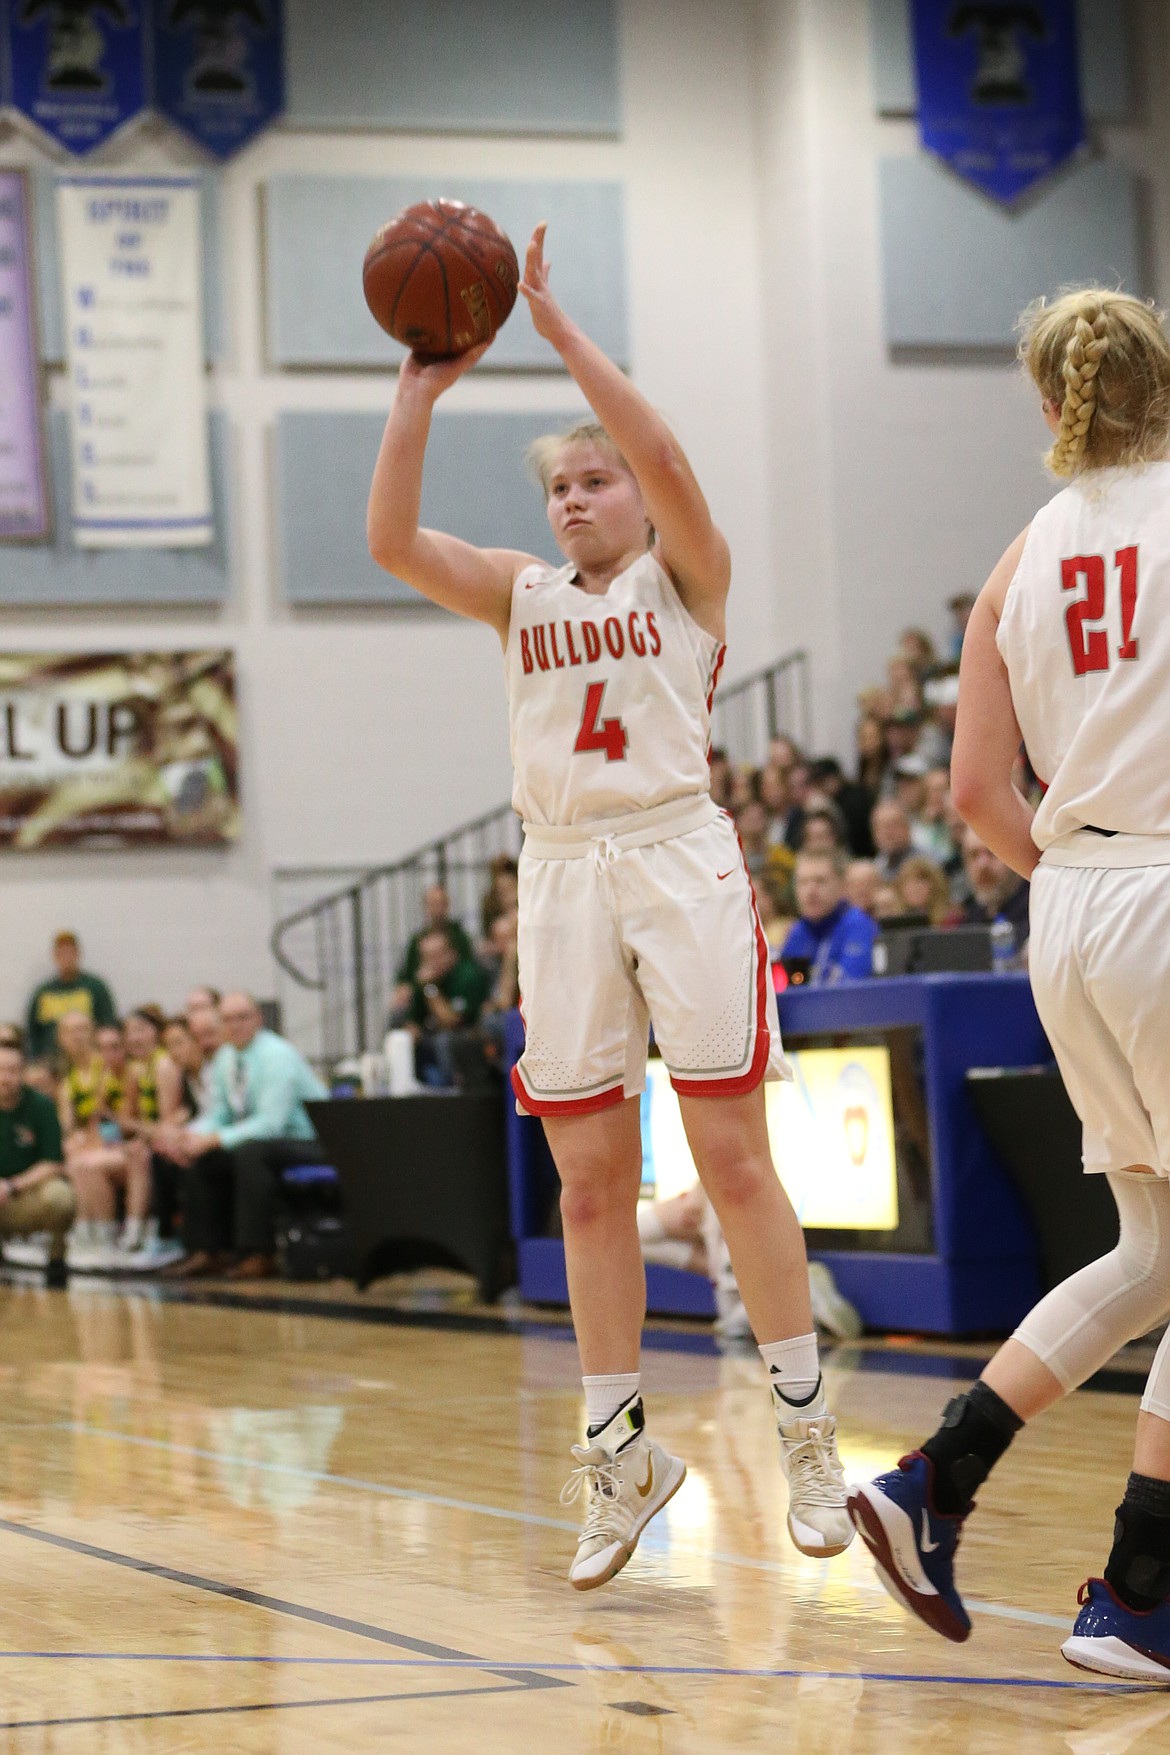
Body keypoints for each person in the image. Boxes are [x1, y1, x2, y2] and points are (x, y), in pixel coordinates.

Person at [367, 221, 853, 1589]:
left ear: (635, 496)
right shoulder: (522, 598)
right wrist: (421, 385)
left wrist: (558, 328)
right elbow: (391, 536)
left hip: (676, 856)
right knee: (589, 1186)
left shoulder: (683, 579)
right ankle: (620, 1449)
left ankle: (804, 1425)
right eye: (561, 487)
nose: (577, 498)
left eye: (597, 478)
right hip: (563, 874)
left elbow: (677, 461)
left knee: (734, 1158)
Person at [848, 288, 1170, 1680]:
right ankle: (1139, 1596)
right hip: (1164, 885)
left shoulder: (1018, 556)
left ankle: (932, 1480)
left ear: (1050, 409)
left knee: (1151, 1252)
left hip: (1073, 905)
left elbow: (978, 790)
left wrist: (1084, 881)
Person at [162, 992, 328, 1280]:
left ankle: (258, 1253)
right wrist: (189, 1136)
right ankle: (208, 1250)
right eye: (228, 1019)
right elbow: (219, 1114)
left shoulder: (278, 1055)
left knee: (250, 1153)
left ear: (259, 1019)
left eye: (243, 1017)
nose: (235, 1025)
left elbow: (271, 1124)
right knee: (204, 1157)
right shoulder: (227, 1057)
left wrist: (215, 1139)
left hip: (310, 1140)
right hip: (266, 1141)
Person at [0, 1042, 75, 1288]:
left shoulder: (41, 1105)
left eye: (12, 1070)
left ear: (23, 1073)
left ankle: (56, 1260)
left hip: (25, 1191)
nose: (5, 1077)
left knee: (60, 1197)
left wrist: (12, 1186)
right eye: (0, 1070)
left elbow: (52, 1162)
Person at [394, 924, 492, 1087]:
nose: (430, 963)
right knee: (399, 1031)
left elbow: (451, 1021)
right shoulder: (424, 981)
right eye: (426, 958)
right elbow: (413, 1020)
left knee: (444, 1041)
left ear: (451, 954)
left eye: (436, 956)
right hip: (433, 1034)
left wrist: (430, 989)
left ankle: (450, 1091)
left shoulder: (466, 975)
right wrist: (410, 1031)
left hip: (469, 1036)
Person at [781, 851, 878, 984]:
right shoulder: (797, 932)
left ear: (842, 886)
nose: (810, 891)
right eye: (803, 882)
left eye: (820, 881)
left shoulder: (859, 925)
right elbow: (784, 989)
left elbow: (851, 986)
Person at [25, 932, 117, 1063]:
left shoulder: (95, 987)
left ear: (78, 954)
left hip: (90, 1058)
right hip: (51, 1061)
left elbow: (108, 1024)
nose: (67, 958)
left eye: (70, 953)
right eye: (61, 953)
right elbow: (33, 1031)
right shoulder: (43, 992)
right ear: (55, 956)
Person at [390, 884, 476, 1019]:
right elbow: (406, 975)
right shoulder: (417, 939)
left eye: (440, 903)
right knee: (398, 1015)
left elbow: (467, 968)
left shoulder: (459, 938)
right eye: (432, 904)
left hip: (450, 995)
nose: (436, 909)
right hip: (423, 995)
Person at [960, 826, 1030, 956]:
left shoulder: (1037, 910)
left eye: (992, 852)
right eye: (974, 855)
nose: (983, 865)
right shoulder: (965, 918)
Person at [871, 798, 915, 882]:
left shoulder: (928, 863)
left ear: (907, 828)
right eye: (881, 827)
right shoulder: (877, 867)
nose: (887, 833)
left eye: (893, 826)